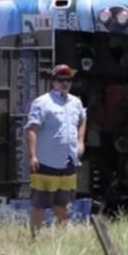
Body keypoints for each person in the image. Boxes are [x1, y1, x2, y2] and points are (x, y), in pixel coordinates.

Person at [25, 64, 87, 237]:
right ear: (53, 81)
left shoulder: (76, 102)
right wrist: (33, 156)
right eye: (61, 80)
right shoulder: (42, 103)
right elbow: (32, 129)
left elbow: (83, 118)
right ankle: (35, 239)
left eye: (68, 79)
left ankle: (63, 240)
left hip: (68, 161)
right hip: (46, 161)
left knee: (64, 204)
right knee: (40, 204)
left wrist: (81, 141)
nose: (65, 83)